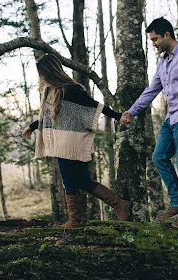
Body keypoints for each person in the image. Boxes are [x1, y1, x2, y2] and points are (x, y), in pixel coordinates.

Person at [22, 54, 132, 228]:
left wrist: (117, 116)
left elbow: (95, 105)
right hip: (64, 141)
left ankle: (75, 220)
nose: (41, 77)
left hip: (71, 143)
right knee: (83, 180)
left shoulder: (71, 89)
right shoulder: (51, 91)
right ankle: (119, 204)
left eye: (42, 73)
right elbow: (49, 117)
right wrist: (33, 126)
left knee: (69, 180)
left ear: (48, 72)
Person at [121, 17, 178, 230]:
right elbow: (152, 90)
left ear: (167, 35)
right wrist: (132, 111)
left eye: (155, 39)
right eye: (151, 40)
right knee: (159, 157)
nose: (153, 44)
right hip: (172, 119)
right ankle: (177, 203)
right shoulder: (163, 63)